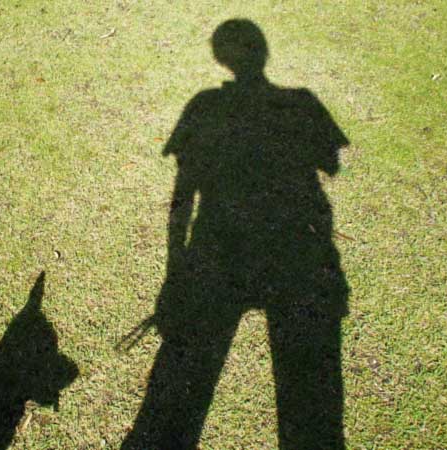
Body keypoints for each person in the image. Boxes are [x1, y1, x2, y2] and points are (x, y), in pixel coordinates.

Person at [122, 19, 350, 450]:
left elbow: (183, 191)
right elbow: (331, 163)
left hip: (219, 248)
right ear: (263, 53)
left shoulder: (204, 105)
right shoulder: (301, 102)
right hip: (293, 251)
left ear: (220, 58)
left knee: (187, 376)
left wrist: (175, 269)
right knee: (307, 394)